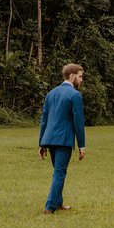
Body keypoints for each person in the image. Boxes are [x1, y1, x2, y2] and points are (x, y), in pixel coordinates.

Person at [38, 63, 87, 214]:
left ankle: (58, 203)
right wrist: (82, 145)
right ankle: (49, 207)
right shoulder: (75, 95)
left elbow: (44, 120)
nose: (81, 80)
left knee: (57, 171)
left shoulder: (51, 93)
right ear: (72, 77)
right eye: (80, 77)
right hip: (63, 140)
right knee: (60, 172)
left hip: (49, 139)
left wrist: (41, 143)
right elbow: (79, 122)